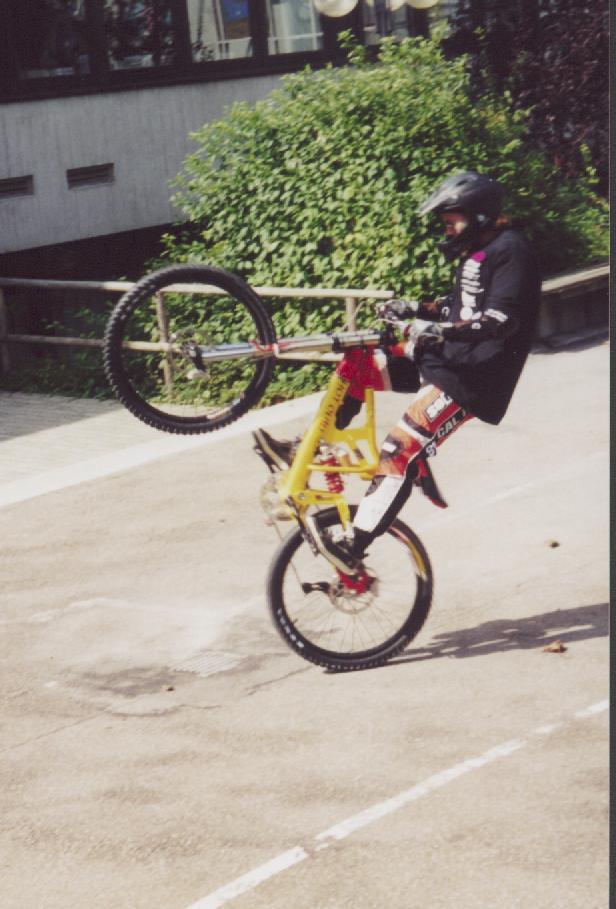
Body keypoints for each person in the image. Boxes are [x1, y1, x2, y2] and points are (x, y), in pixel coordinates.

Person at [254, 171, 541, 574]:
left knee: (398, 450)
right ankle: (309, 448)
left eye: (452, 220)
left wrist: (437, 331)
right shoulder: (478, 251)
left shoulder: (512, 250)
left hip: (471, 378)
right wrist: (416, 309)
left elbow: (500, 320)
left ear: (478, 216)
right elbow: (460, 307)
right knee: (358, 364)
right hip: (445, 358)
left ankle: (354, 545)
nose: (446, 228)